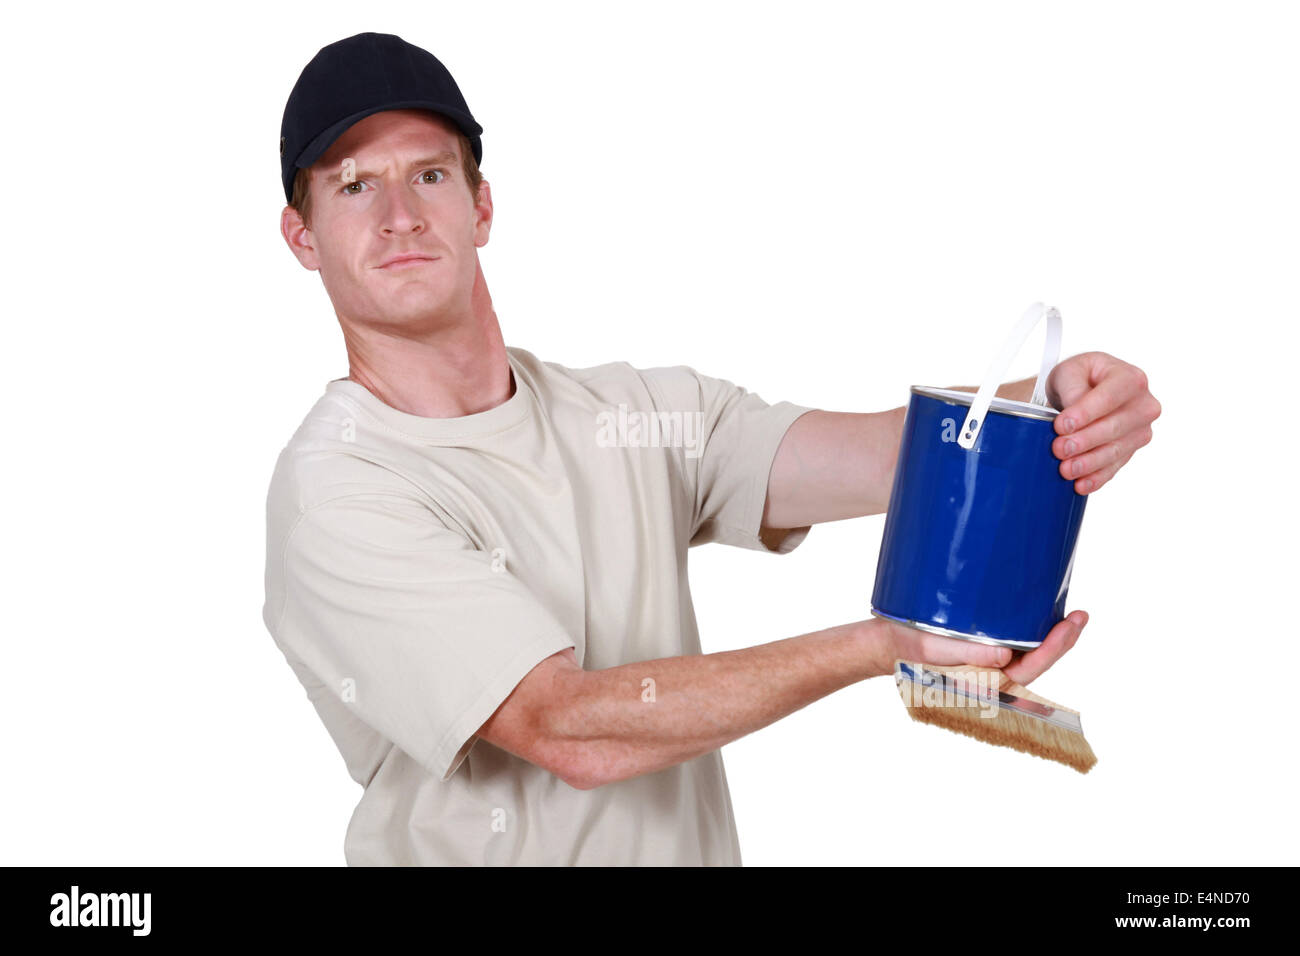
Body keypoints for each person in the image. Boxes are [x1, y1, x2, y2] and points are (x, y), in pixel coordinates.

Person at [263, 32, 1162, 866]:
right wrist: (880, 643)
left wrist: (1053, 407)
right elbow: (568, 729)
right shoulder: (339, 492)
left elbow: (904, 456)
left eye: (428, 176)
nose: (398, 216)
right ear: (302, 237)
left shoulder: (633, 412)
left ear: (481, 205)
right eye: (351, 185)